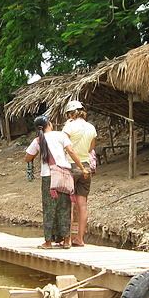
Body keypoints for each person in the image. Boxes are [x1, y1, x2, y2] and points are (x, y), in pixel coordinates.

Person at [25, 115, 89, 249]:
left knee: (49, 209)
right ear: (49, 124)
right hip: (64, 175)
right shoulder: (61, 136)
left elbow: (28, 158)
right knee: (65, 207)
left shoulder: (38, 140)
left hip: (48, 177)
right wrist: (82, 168)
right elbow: (71, 151)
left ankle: (48, 242)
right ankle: (66, 241)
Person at [62, 100, 97, 247]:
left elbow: (62, 143)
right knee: (82, 205)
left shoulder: (69, 126)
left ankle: (68, 239)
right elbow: (91, 149)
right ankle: (80, 239)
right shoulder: (91, 128)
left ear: (71, 113)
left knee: (69, 205)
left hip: (70, 166)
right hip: (85, 167)